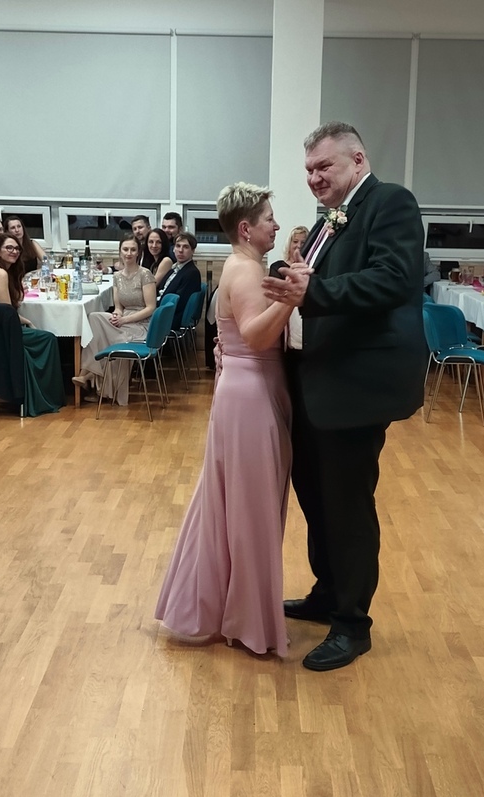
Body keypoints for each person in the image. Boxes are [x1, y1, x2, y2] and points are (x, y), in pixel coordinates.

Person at [262, 121, 426, 671]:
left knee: (347, 506)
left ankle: (353, 624)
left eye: (323, 166)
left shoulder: (391, 203)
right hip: (314, 382)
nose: (313, 178)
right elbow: (311, 282)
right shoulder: (327, 219)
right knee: (315, 495)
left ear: (358, 160)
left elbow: (394, 279)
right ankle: (327, 593)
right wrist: (285, 275)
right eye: (308, 170)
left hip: (355, 386)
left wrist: (314, 290)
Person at [156, 182, 298, 656]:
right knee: (250, 512)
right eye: (269, 218)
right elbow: (256, 336)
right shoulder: (245, 271)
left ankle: (235, 611)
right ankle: (248, 621)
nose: (276, 225)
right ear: (246, 228)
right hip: (250, 396)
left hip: (247, 390)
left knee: (237, 507)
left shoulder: (244, 267)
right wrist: (291, 297)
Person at [0, 233, 66, 416]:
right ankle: (42, 398)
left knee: (41, 336)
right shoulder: (0, 273)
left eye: (17, 248)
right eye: (9, 248)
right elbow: (7, 313)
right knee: (48, 339)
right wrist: (28, 321)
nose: (14, 251)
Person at [72, 234, 157, 405]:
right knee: (94, 318)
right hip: (124, 319)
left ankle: (91, 376)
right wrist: (117, 314)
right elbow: (118, 306)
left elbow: (151, 308)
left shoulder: (145, 274)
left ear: (138, 252)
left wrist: (125, 320)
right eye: (125, 249)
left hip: (141, 323)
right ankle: (87, 372)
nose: (129, 253)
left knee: (109, 336)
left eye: (132, 250)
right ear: (120, 252)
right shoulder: (117, 276)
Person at [157, 232, 201, 330]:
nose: (180, 250)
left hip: (169, 317)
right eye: (178, 246)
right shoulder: (174, 268)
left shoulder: (191, 273)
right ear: (173, 249)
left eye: (186, 247)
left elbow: (178, 304)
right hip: (161, 309)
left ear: (193, 251)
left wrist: (152, 308)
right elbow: (161, 290)